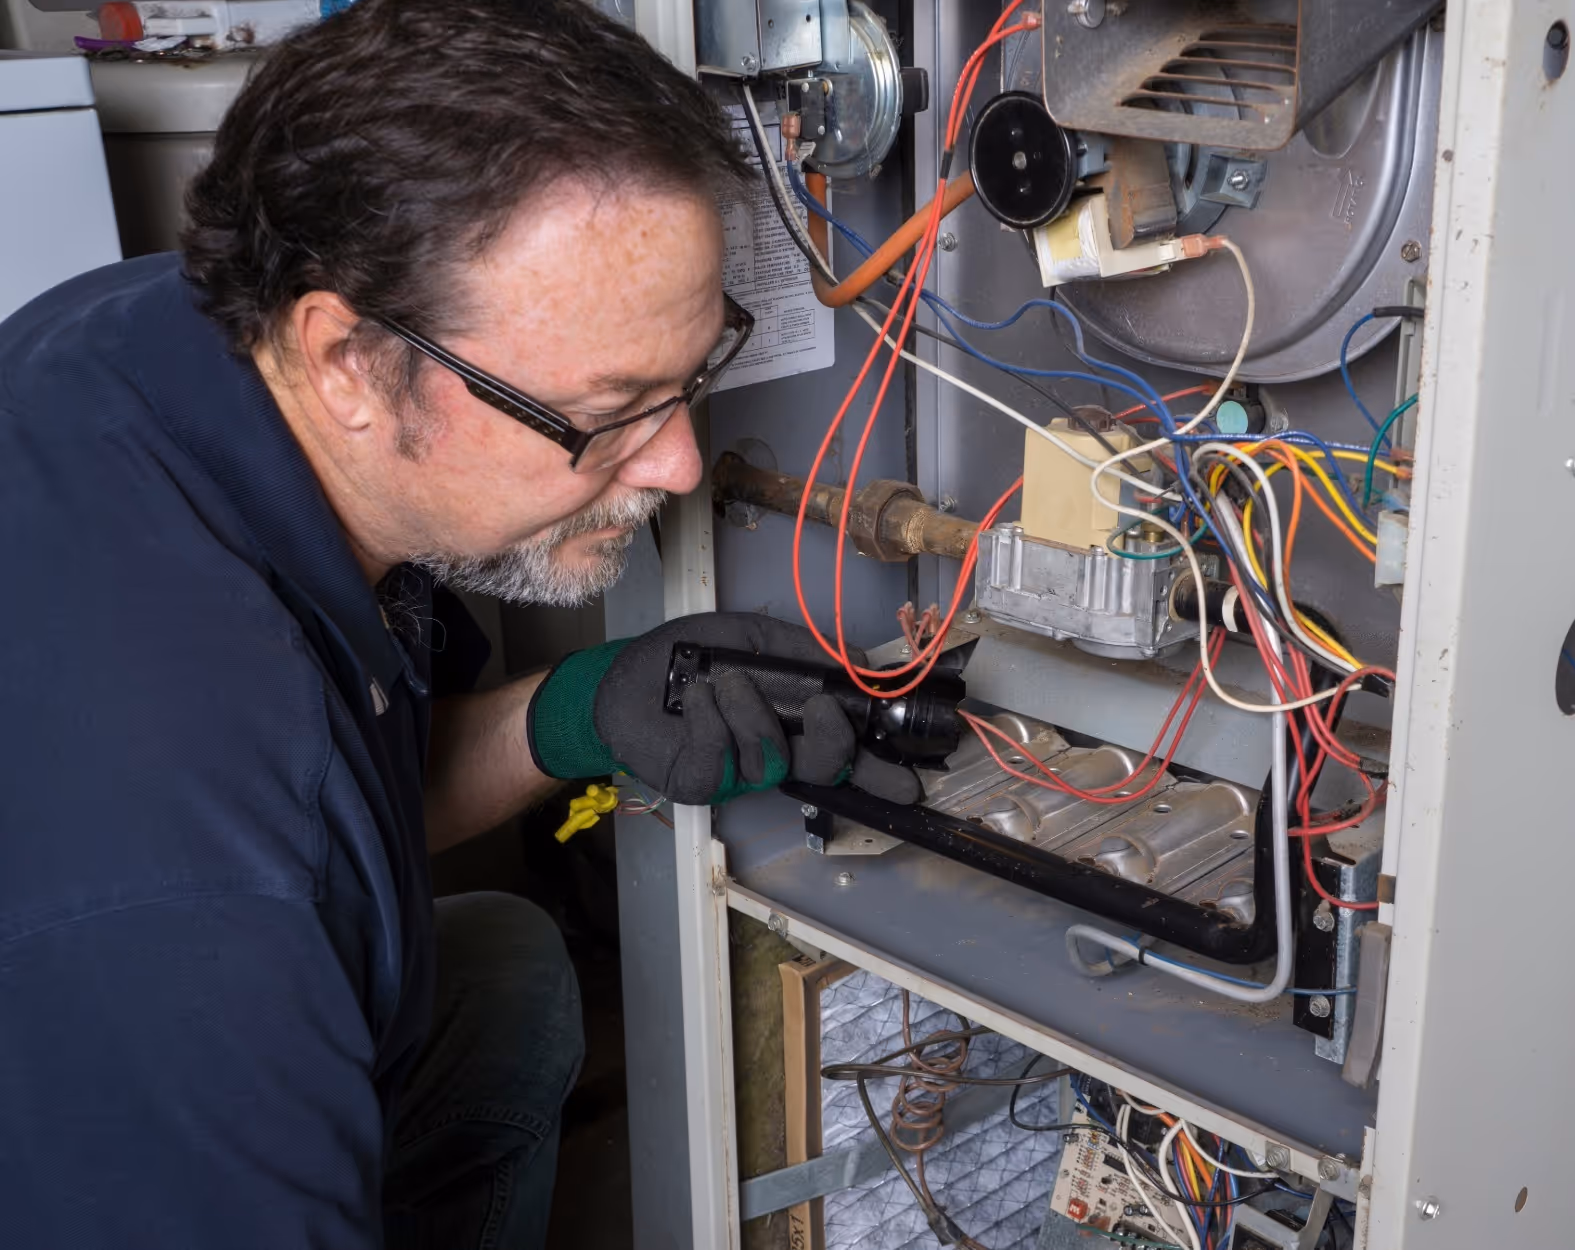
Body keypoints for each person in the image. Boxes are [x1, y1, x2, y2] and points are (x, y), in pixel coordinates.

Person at [0, 0, 915, 1244]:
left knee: (506, 977)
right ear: (348, 360)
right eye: (612, 408)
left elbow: (350, 801)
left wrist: (570, 711)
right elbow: (274, 842)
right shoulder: (201, 891)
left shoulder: (166, 328)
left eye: (691, 378)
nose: (682, 466)